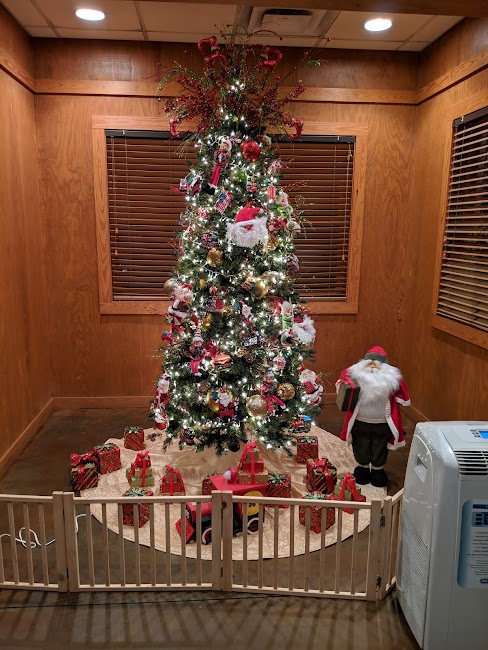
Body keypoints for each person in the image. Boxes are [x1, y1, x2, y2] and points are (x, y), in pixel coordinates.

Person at [336, 346, 410, 487]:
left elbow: (403, 396)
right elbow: (342, 383)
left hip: (383, 423)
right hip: (360, 421)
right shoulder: (353, 375)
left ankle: (377, 470)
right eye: (370, 362)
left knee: (380, 446)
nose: (373, 366)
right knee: (360, 444)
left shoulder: (393, 380)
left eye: (377, 363)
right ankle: (363, 468)